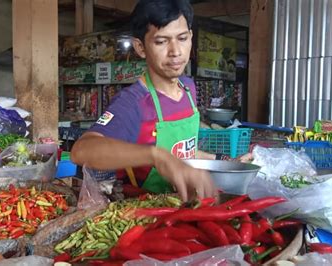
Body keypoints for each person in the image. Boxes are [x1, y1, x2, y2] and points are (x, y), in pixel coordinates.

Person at [72, 0, 229, 201]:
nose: (176, 52)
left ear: (191, 37)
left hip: (183, 207)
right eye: (161, 41)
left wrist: (224, 161)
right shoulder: (133, 103)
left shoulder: (188, 88)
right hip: (143, 214)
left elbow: (183, 152)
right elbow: (81, 150)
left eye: (182, 38)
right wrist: (156, 156)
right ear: (140, 47)